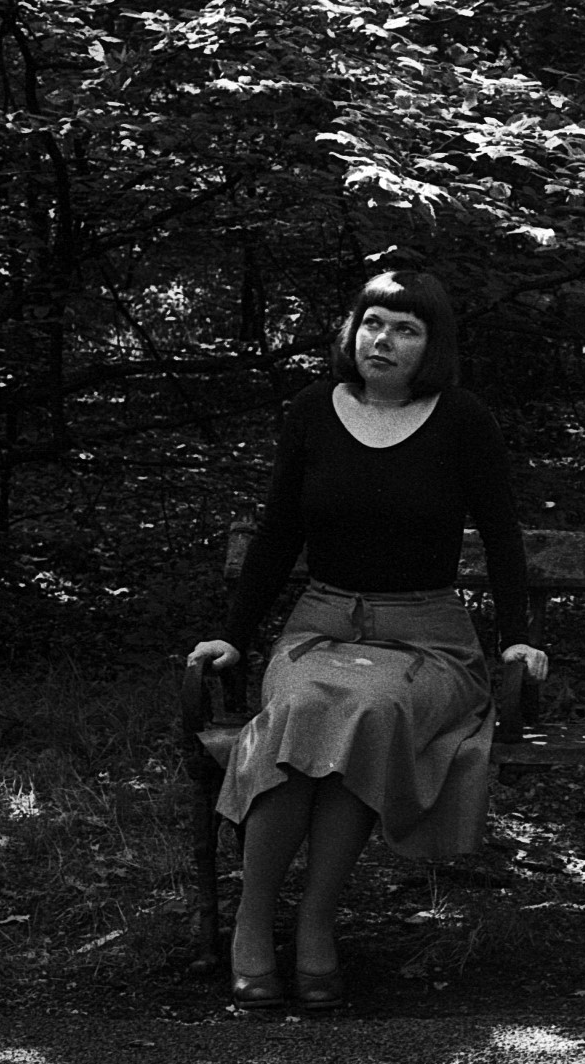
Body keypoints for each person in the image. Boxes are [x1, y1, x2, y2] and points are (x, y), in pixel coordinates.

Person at [185, 270, 546, 1010]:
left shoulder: (463, 419)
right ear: (352, 331)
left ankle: (315, 923)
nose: (383, 339)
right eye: (373, 322)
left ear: (431, 346)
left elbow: (502, 535)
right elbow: (279, 531)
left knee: (370, 709)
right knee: (305, 707)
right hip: (318, 629)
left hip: (427, 642)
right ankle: (252, 923)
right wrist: (233, 637)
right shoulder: (312, 410)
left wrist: (517, 639)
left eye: (406, 329)